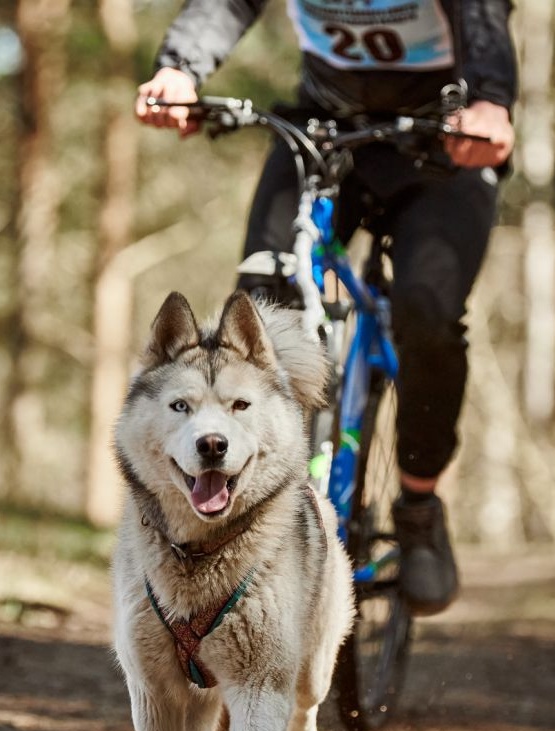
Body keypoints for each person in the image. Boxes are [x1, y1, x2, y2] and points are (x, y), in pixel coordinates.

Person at [134, 0, 517, 616]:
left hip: (445, 140)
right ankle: (251, 508)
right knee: (255, 313)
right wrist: (180, 69)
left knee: (427, 314)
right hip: (320, 131)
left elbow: (482, 15)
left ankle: (418, 507)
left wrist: (493, 99)